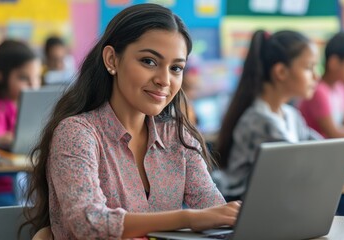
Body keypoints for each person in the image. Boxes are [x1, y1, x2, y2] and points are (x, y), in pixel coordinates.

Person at [21, 4, 240, 239]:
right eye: (149, 61)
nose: (164, 80)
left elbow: (215, 213)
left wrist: (232, 216)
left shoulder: (178, 137)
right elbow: (88, 223)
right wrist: (188, 218)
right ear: (112, 60)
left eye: (176, 68)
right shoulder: (77, 133)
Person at [215, 30, 344, 201]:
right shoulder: (259, 120)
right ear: (281, 72)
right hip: (242, 211)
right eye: (309, 68)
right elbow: (300, 165)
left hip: (277, 205)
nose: (316, 76)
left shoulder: (291, 115)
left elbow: (321, 148)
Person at [0, 39, 41, 208]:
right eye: (24, 78)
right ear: (1, 76)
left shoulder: (25, 105)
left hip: (22, 182)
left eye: (37, 77)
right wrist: (6, 138)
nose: (33, 85)